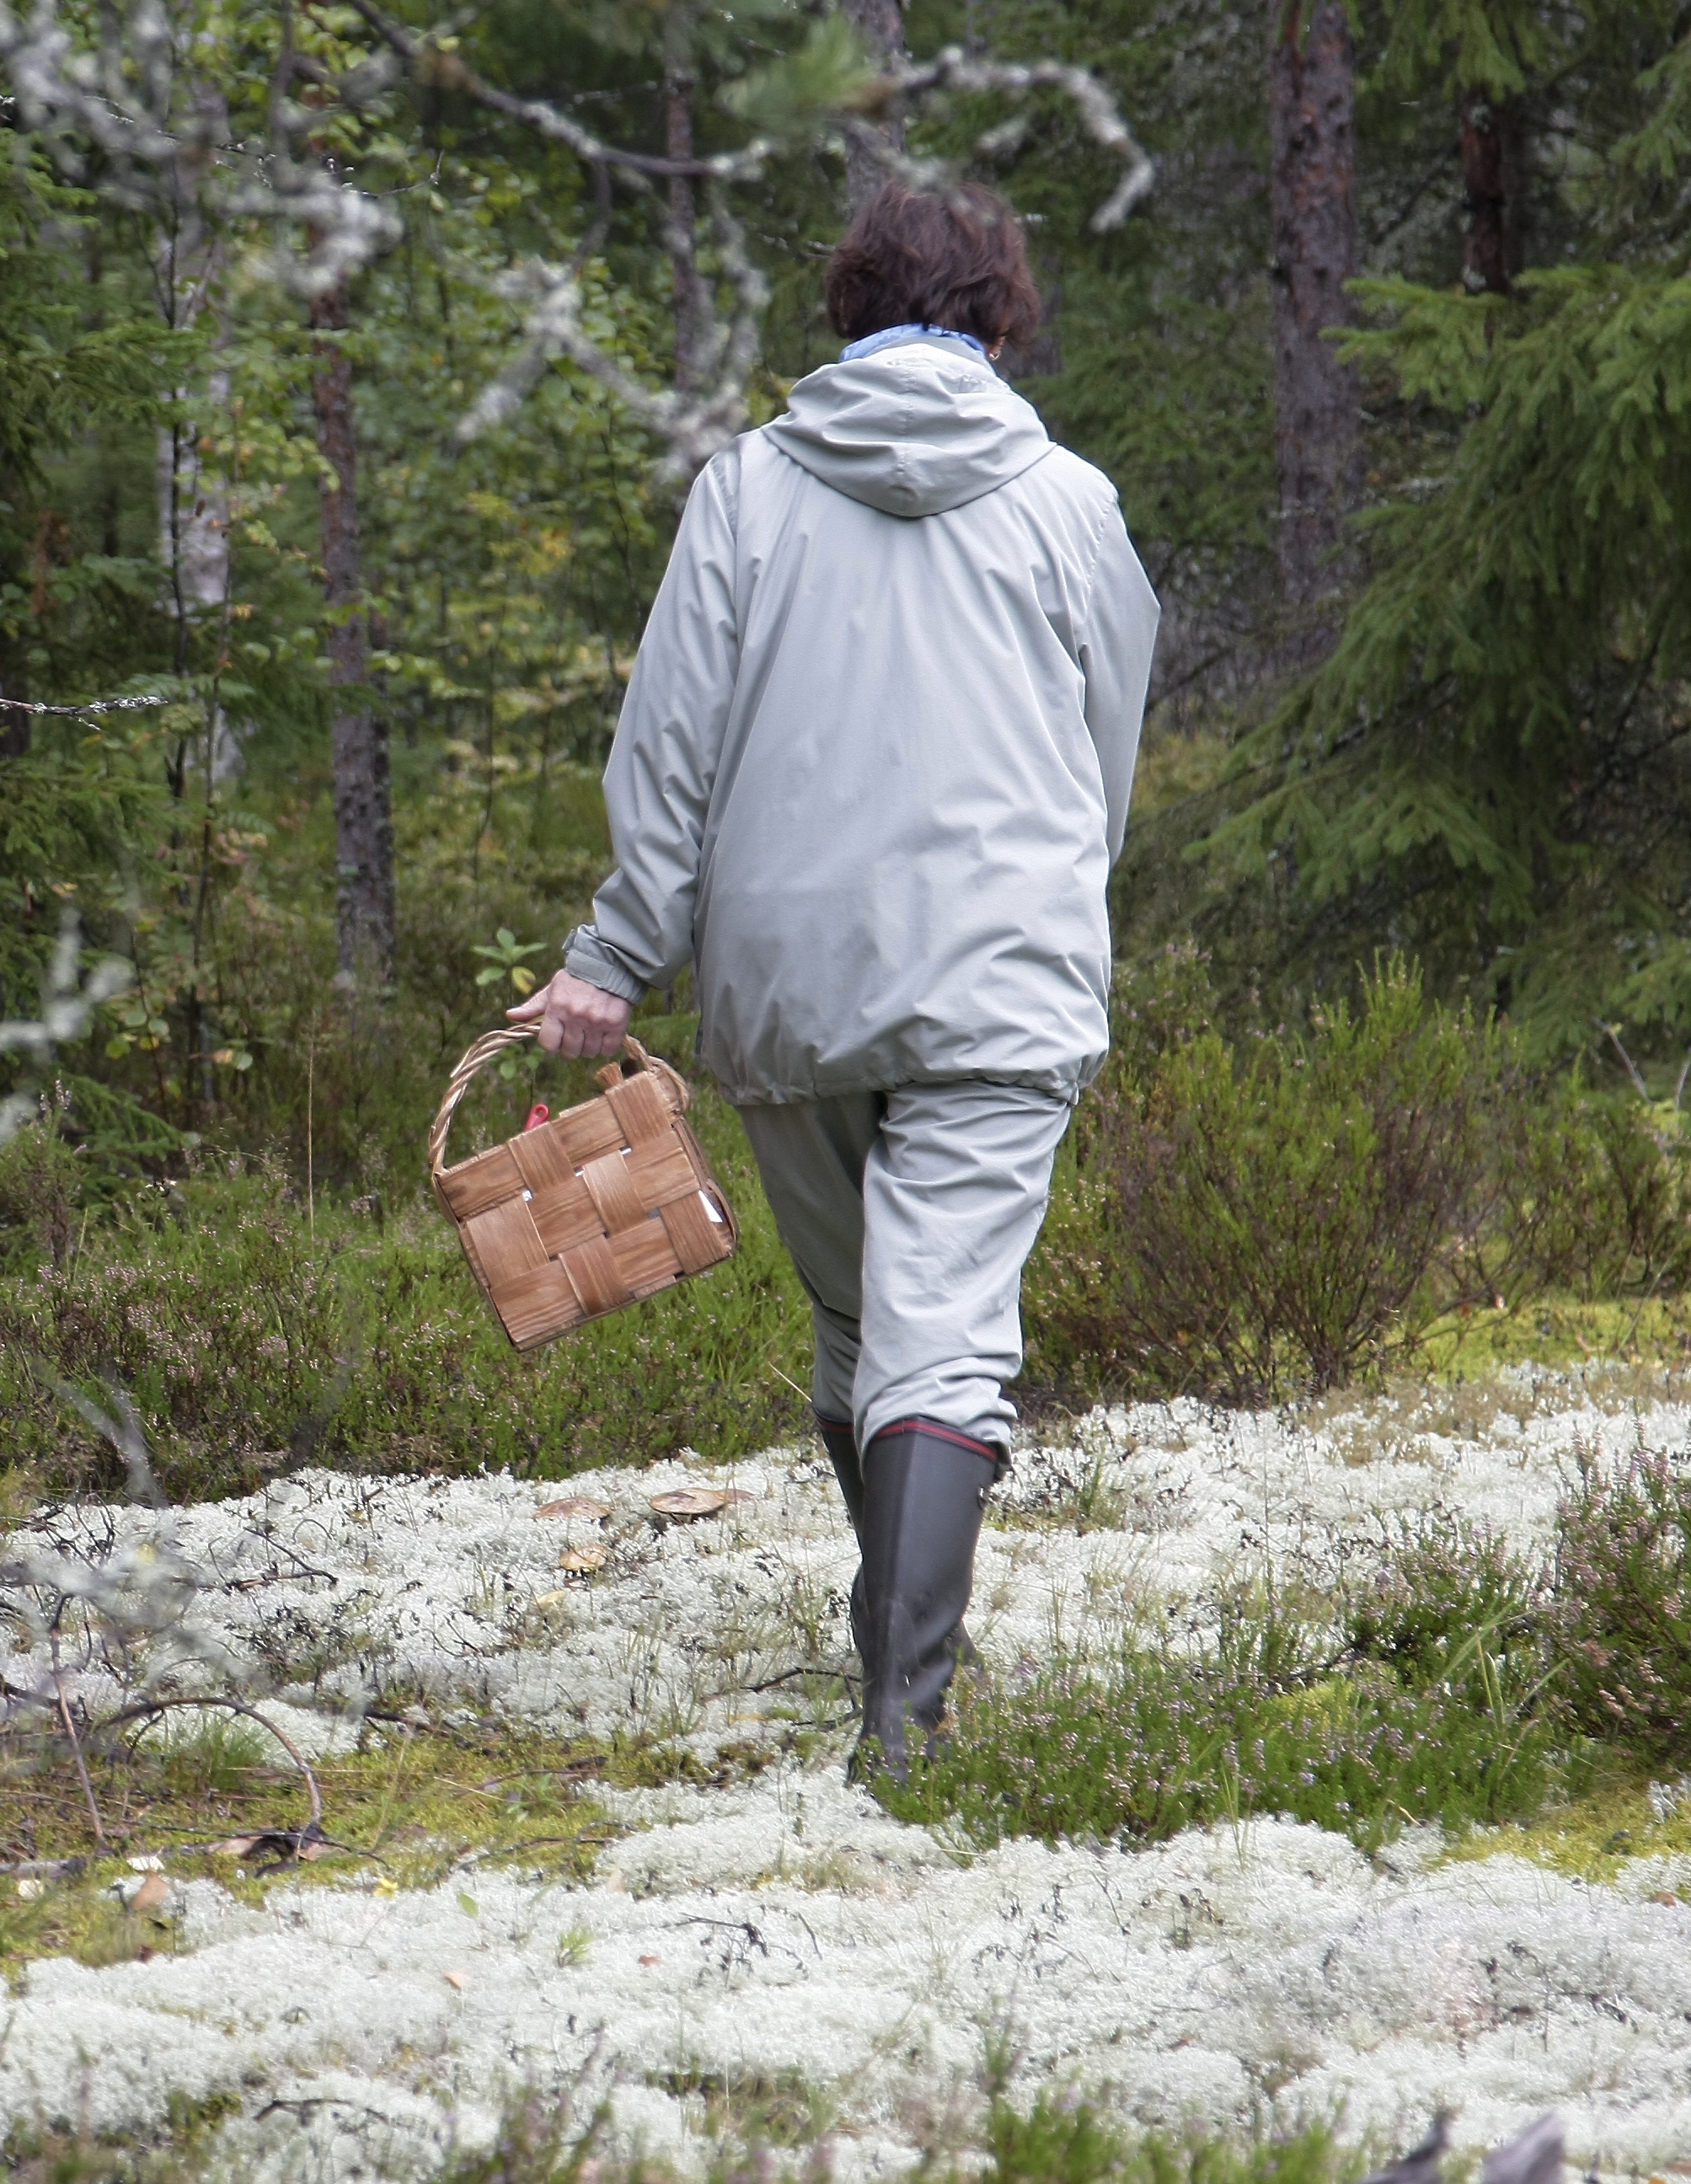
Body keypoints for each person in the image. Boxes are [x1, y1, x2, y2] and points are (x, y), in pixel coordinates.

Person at [507, 181, 1160, 1774]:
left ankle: (896, 1678)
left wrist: (616, 955)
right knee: (932, 1335)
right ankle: (908, 1717)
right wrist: (1060, 890)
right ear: (1001, 312)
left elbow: (670, 748)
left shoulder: (747, 489)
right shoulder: (1068, 498)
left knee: (865, 1325)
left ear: (849, 307)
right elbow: (1108, 749)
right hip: (1004, 969)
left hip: (788, 982)